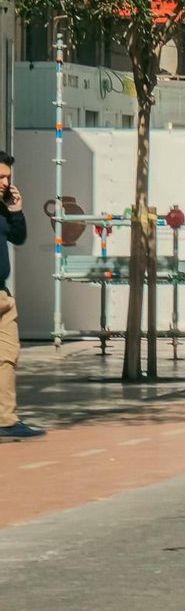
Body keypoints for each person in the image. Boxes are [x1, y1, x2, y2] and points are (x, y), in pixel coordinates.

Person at [0, 153, 41, 441]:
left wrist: (16, 211)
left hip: (2, 295)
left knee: (7, 357)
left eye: (7, 177)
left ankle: (5, 420)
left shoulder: (3, 207)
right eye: (0, 177)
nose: (5, 182)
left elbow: (19, 238)